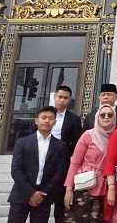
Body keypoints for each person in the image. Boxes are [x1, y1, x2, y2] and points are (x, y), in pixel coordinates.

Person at [8, 106, 69, 223]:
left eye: (51, 118)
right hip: (21, 194)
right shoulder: (22, 143)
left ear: (55, 122)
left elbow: (60, 172)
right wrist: (31, 193)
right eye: (43, 117)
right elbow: (16, 170)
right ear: (36, 120)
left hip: (44, 197)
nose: (47, 121)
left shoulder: (60, 146)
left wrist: (43, 193)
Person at [64, 104, 116, 222]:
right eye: (102, 115)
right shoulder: (88, 135)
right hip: (85, 186)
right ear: (97, 117)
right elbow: (75, 163)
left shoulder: (116, 136)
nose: (106, 117)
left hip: (107, 189)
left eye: (110, 115)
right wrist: (68, 189)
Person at [51, 86, 82, 223]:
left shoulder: (74, 119)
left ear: (69, 100)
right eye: (60, 97)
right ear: (55, 97)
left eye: (65, 98)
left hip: (63, 164)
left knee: (60, 203)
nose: (62, 100)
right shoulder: (45, 115)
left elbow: (77, 142)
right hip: (43, 162)